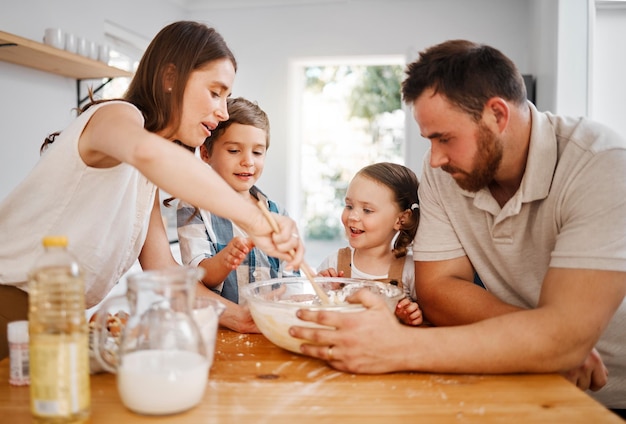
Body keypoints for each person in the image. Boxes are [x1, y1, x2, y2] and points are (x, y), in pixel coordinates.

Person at [289, 39, 626, 415]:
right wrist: (546, 338)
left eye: (445, 138)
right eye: (429, 140)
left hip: (608, 396)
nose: (434, 159)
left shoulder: (601, 164)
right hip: (502, 379)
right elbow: (439, 293)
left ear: (497, 115)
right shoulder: (444, 176)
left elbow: (568, 335)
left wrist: (396, 346)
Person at [0, 21, 303, 360]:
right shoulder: (115, 116)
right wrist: (257, 222)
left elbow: (164, 271)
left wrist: (238, 317)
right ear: (170, 78)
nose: (222, 111)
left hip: (50, 324)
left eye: (227, 97)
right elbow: (149, 153)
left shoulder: (144, 181)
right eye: (215, 92)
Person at [177, 97, 298, 333]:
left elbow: (291, 279)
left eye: (258, 152)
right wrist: (225, 260)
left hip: (268, 329)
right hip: (218, 330)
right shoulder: (194, 208)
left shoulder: (277, 213)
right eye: (234, 150)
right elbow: (198, 276)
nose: (248, 161)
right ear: (205, 153)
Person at [316, 162, 422, 326]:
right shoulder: (334, 263)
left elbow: (425, 322)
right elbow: (316, 311)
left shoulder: (410, 270)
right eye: (349, 206)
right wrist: (326, 290)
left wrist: (410, 316)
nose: (353, 216)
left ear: (401, 219)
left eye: (367, 210)